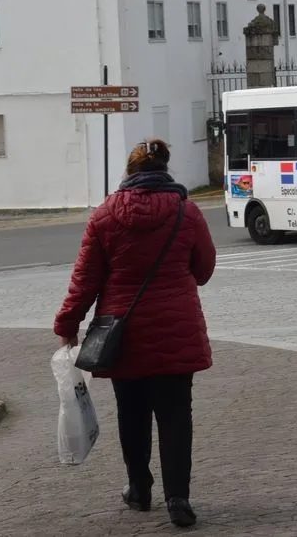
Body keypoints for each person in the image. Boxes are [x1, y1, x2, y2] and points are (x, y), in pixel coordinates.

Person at [53, 138, 216, 528]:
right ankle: (178, 498)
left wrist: (67, 324)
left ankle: (139, 489)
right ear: (165, 170)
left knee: (132, 413)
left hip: (122, 334)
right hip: (176, 329)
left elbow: (85, 279)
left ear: (129, 172)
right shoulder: (187, 212)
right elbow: (204, 269)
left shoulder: (106, 215)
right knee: (176, 416)